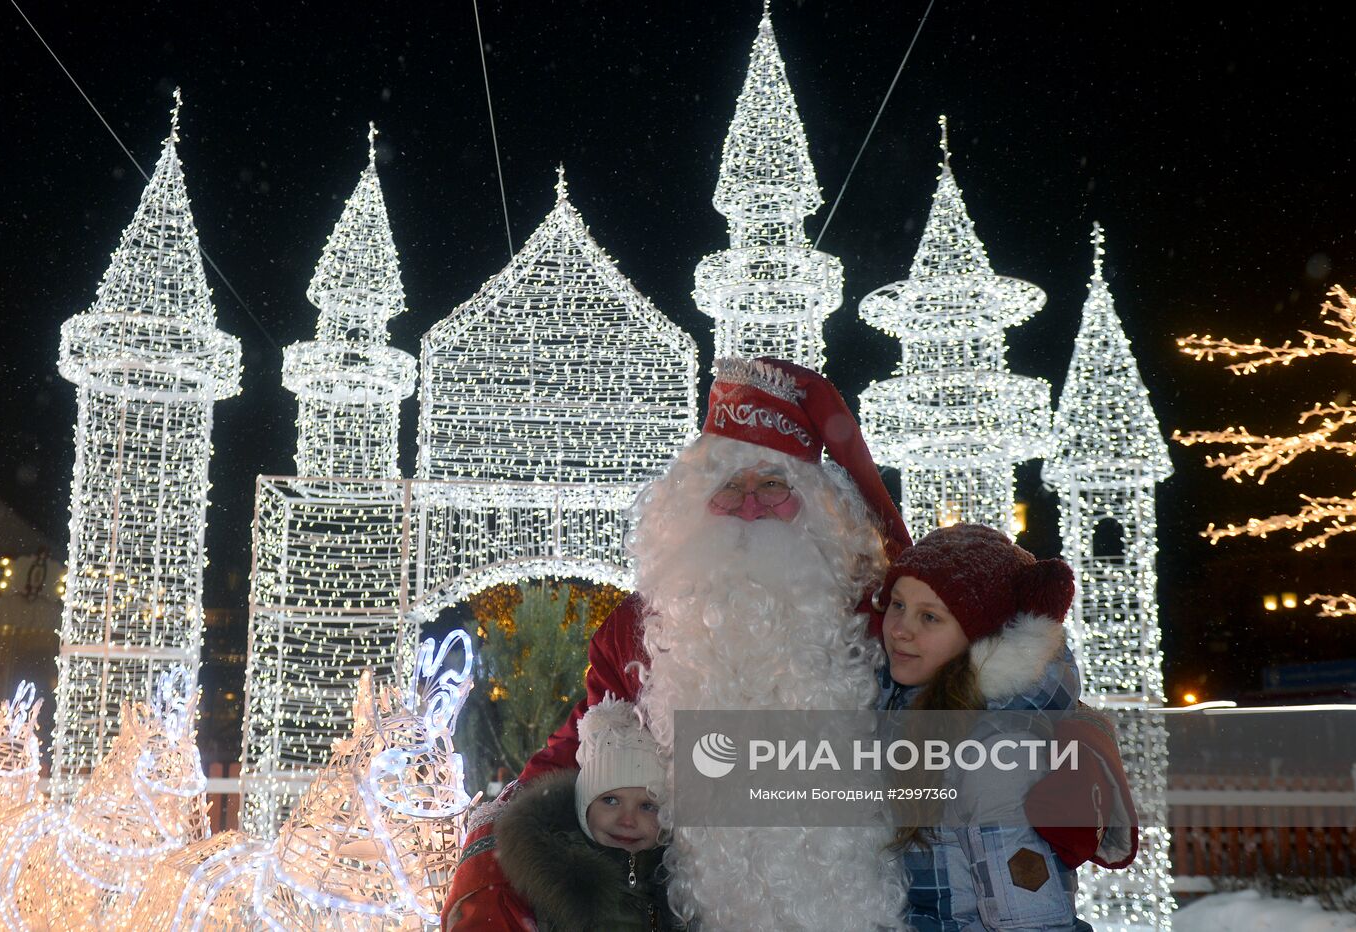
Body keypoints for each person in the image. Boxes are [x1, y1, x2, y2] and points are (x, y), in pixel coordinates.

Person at [443, 358, 1135, 931]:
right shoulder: (638, 631)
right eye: (729, 487)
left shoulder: (880, 615)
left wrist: (1079, 755)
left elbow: (995, 662)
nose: (750, 505)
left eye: (774, 487)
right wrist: (496, 845)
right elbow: (577, 748)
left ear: (818, 511)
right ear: (687, 511)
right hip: (700, 906)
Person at [876, 523, 1134, 931]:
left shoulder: (995, 754)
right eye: (896, 604)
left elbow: (1033, 923)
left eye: (930, 616)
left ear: (980, 636)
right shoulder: (914, 712)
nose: (900, 629)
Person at [489, 695, 677, 932]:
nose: (627, 820)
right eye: (610, 800)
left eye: (647, 806)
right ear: (583, 806)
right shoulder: (555, 882)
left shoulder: (678, 885)